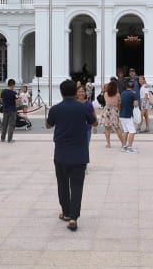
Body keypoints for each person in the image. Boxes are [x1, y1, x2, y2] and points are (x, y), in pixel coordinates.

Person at [46, 79, 97, 232]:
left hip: (61, 153)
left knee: (62, 184)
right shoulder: (82, 108)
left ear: (61, 92)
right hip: (79, 153)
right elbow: (94, 123)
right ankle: (74, 217)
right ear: (76, 93)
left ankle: (66, 212)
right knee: (77, 186)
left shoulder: (56, 108)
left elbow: (49, 125)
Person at [100, 79, 124, 148]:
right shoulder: (117, 95)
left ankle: (108, 143)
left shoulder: (105, 94)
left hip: (106, 110)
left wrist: (107, 86)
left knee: (107, 128)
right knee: (117, 128)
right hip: (114, 110)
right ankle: (123, 143)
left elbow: (104, 88)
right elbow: (119, 104)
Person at [118, 79, 139, 153]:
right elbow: (136, 104)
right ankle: (130, 147)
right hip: (128, 115)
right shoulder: (133, 94)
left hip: (121, 115)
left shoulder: (122, 93)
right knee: (132, 131)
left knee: (125, 131)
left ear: (126, 87)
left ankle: (124, 146)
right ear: (133, 87)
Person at [0, 78, 18, 143]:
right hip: (12, 110)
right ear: (13, 85)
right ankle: (9, 139)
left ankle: (2, 138)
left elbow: (1, 100)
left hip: (5, 110)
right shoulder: (14, 93)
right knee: (11, 125)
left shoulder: (3, 91)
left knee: (4, 124)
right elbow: (17, 103)